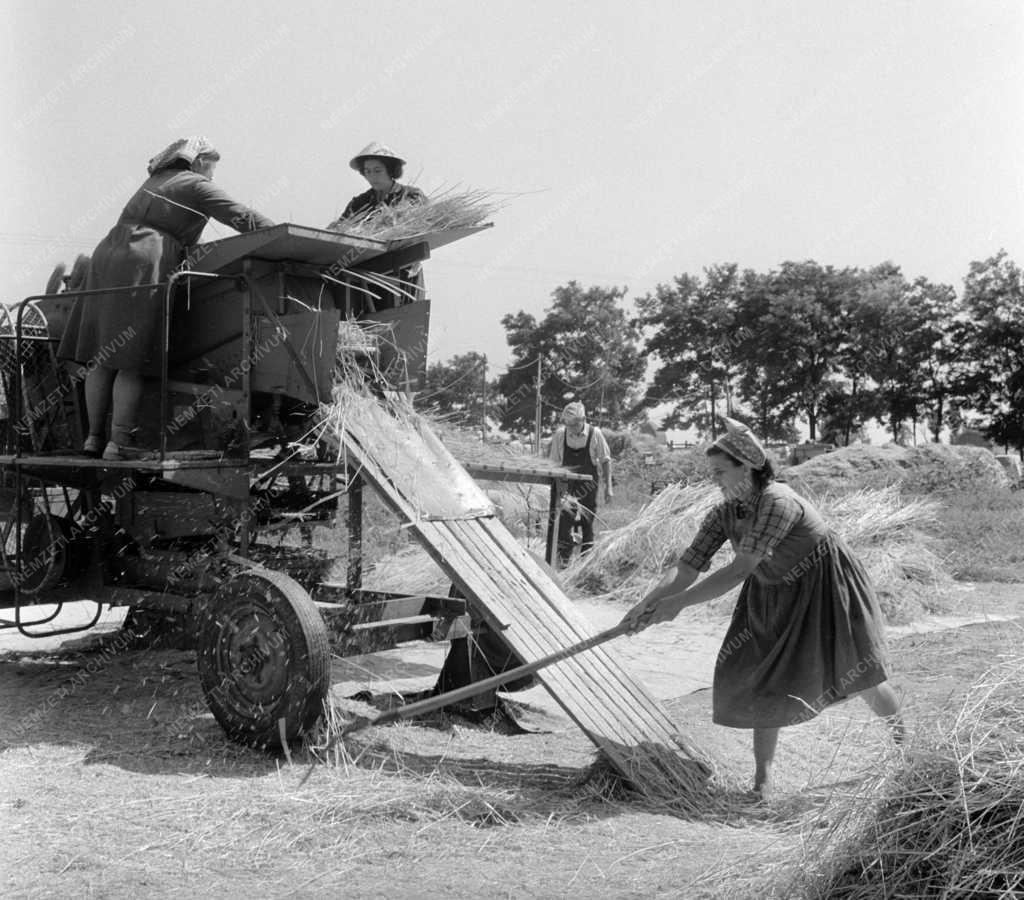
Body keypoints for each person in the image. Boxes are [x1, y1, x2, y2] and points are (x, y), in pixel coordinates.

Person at [620, 417, 904, 797]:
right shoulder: (725, 512)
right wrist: (646, 605)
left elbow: (740, 569)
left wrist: (678, 606)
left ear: (748, 467)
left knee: (859, 671)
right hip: (773, 591)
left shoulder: (778, 501)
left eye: (721, 471)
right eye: (713, 473)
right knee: (761, 678)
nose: (716, 480)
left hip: (825, 586)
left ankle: (906, 752)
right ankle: (762, 782)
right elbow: (688, 566)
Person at [57, 137, 274, 460]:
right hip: (145, 256)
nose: (213, 175)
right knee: (131, 358)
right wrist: (280, 231)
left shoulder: (153, 181)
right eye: (213, 167)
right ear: (200, 162)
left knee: (102, 355)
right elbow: (240, 216)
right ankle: (118, 444)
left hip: (108, 253)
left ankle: (93, 439)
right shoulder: (196, 184)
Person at [547, 401, 613, 567]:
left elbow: (605, 461)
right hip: (565, 483)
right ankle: (563, 562)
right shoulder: (560, 435)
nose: (571, 428)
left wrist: (608, 488)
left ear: (583, 419)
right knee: (563, 521)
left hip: (588, 485)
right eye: (568, 424)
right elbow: (554, 463)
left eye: (574, 424)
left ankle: (586, 564)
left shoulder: (595, 433)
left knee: (587, 522)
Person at [332, 141, 426, 224]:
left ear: (390, 170)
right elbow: (339, 230)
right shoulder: (359, 203)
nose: (372, 176)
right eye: (368, 171)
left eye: (377, 171)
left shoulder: (411, 196)